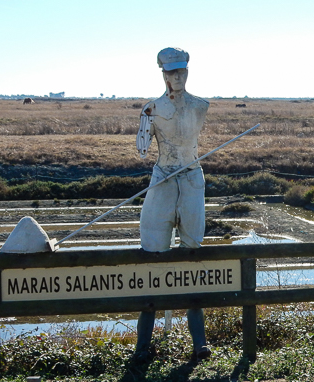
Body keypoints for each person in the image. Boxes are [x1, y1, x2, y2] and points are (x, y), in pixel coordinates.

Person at [135, 47, 211, 361]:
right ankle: (142, 346)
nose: (177, 77)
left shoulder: (200, 106)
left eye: (181, 71)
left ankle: (200, 343)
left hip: (192, 180)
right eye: (171, 72)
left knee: (193, 259)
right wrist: (145, 120)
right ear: (163, 73)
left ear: (188, 71)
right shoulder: (152, 108)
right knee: (153, 259)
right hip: (163, 181)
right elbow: (141, 150)